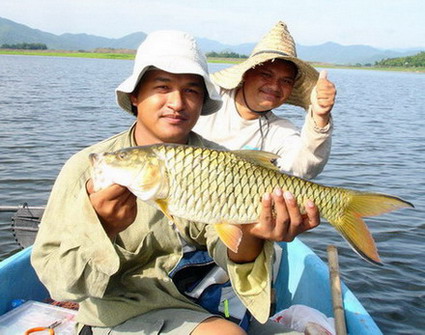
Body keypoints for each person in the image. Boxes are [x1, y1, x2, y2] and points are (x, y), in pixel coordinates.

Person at [31, 30, 320, 335]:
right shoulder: (86, 168)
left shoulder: (215, 159)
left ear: (202, 102)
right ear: (135, 96)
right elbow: (60, 286)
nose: (177, 103)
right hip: (118, 313)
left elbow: (226, 243)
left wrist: (253, 235)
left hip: (197, 303)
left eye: (191, 91)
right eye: (162, 87)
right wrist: (104, 228)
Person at [194, 21, 336, 179]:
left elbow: (303, 168)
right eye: (266, 75)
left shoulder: (281, 131)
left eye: (286, 81)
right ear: (246, 74)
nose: (275, 86)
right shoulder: (207, 97)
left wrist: (320, 116)